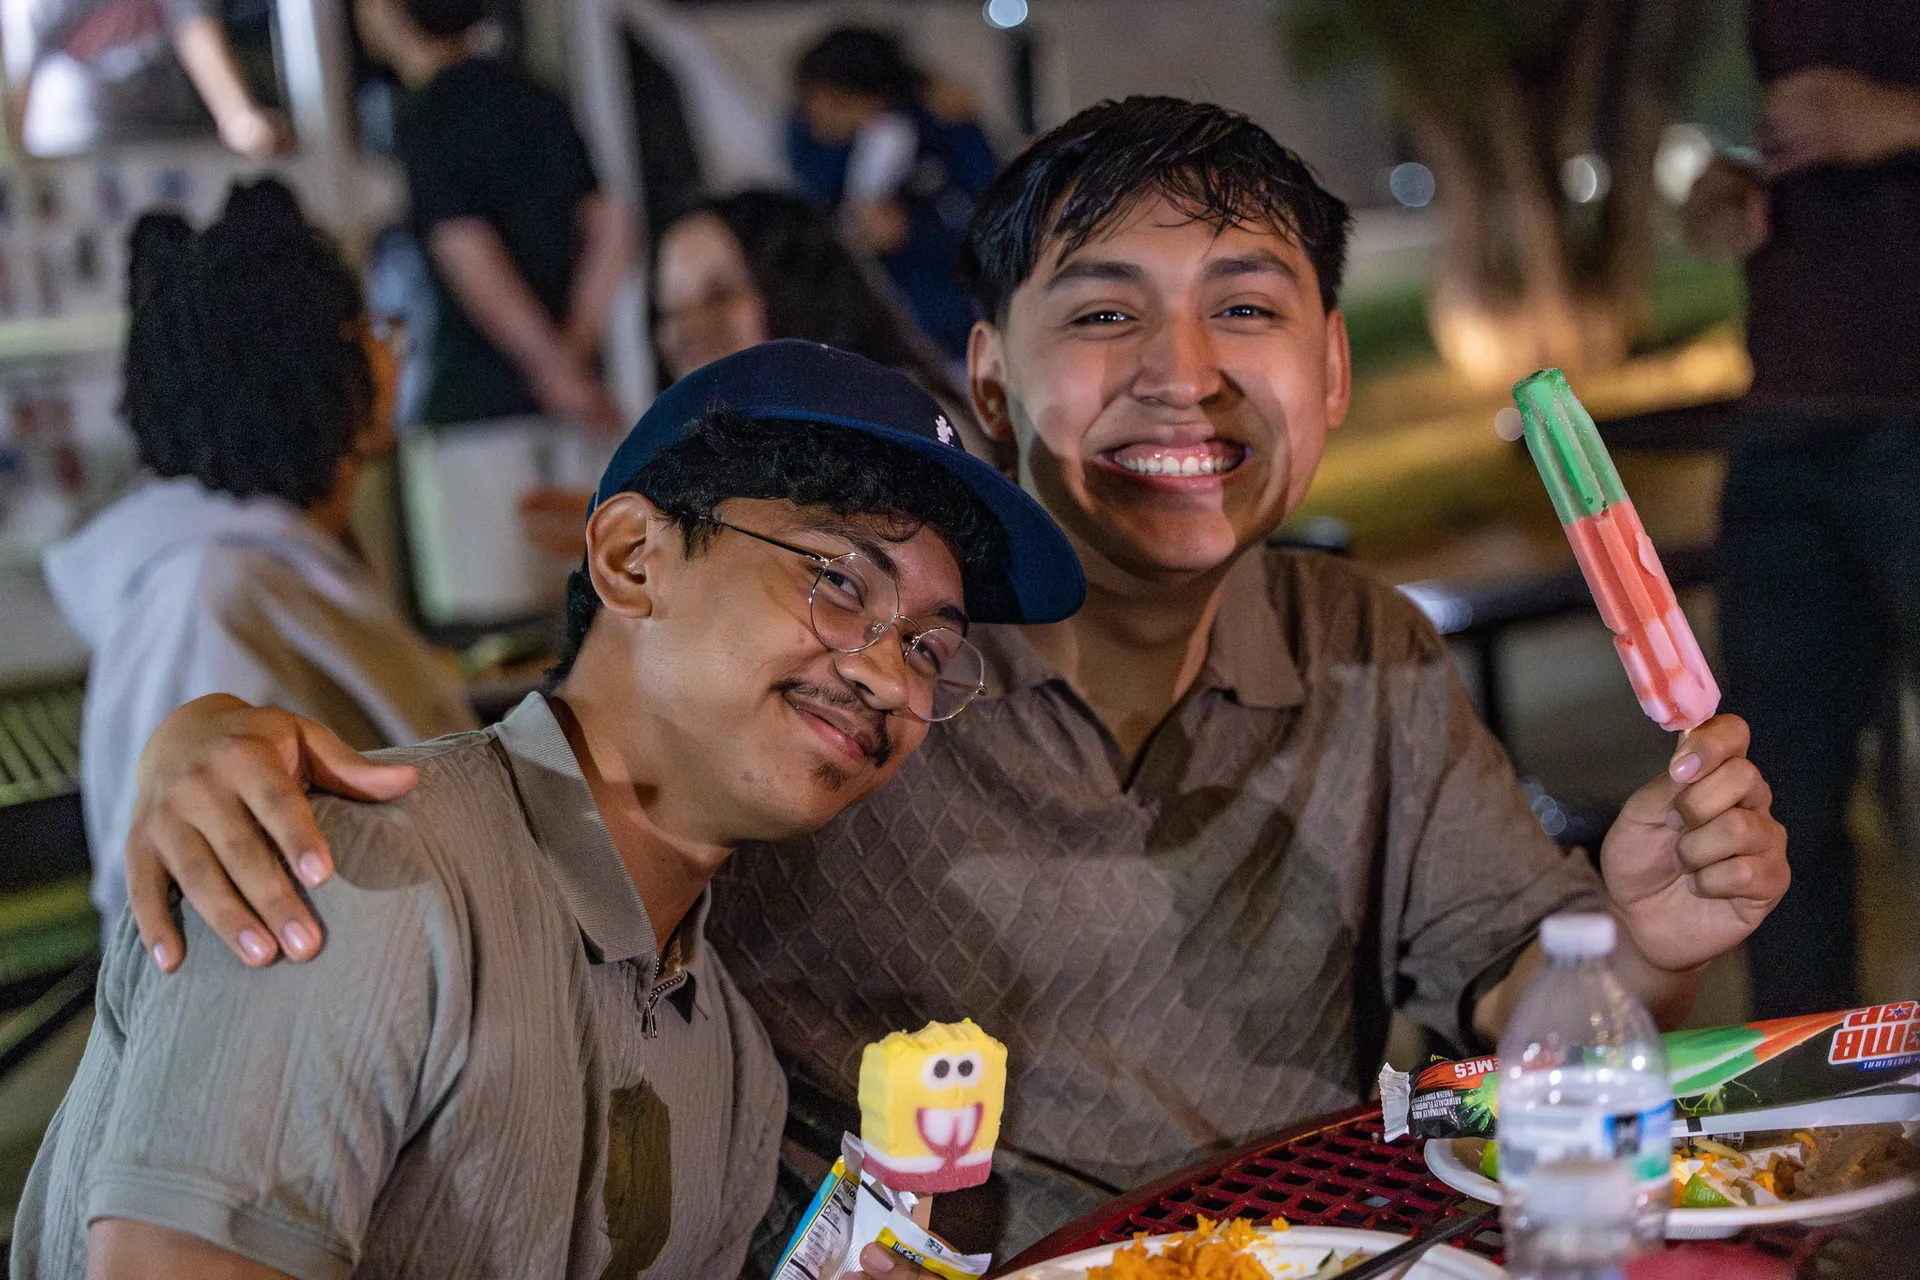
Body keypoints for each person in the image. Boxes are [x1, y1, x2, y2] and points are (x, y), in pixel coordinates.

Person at [114, 99, 1789, 1260]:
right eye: (1108, 315)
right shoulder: (818, 711)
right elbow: (566, 767)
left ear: (1335, 369)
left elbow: (1538, 1001)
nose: (1184, 376)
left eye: (1249, 309)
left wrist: (1634, 935)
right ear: (988, 381)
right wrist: (201, 737)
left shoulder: (1366, 650)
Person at [12, 340, 1083, 1280]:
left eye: (930, 647)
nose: (894, 682)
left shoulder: (732, 1067)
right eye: (840, 581)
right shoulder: (355, 878)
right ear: (630, 558)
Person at [40, 178, 475, 944]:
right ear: (314, 373)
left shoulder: (269, 569)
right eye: (370, 329)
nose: (389, 351)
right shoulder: (206, 599)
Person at [1682, 0, 1920, 1017]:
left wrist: (1901, 117)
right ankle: (1807, 1133)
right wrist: (1733, 188)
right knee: (1769, 806)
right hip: (1788, 411)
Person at [520, 188, 991, 558]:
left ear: (800, 289)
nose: (686, 331)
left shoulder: (903, 418)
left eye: (720, 296)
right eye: (669, 310)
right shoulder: (738, 440)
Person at [788, 26, 996, 364]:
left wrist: (911, 230)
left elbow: (986, 220)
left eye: (833, 103)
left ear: (869, 95)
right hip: (868, 338)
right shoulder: (813, 143)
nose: (818, 119)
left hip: (950, 329)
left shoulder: (942, 126)